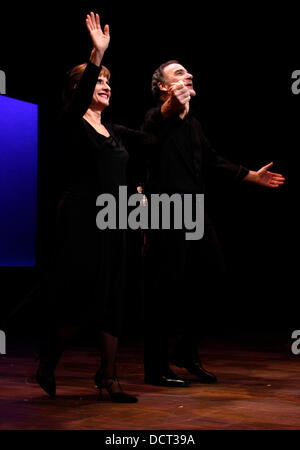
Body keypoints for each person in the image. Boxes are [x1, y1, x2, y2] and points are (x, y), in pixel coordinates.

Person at [141, 60, 285, 387]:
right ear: (163, 87)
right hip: (164, 212)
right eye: (178, 74)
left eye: (188, 72)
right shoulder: (154, 117)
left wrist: (252, 176)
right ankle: (156, 368)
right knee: (163, 290)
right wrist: (169, 107)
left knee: (216, 277)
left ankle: (185, 351)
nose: (187, 75)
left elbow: (212, 159)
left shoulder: (193, 124)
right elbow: (154, 126)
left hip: (193, 211)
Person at [36, 12, 152, 403]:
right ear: (78, 87)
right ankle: (50, 357)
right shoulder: (71, 122)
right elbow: (83, 90)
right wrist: (96, 57)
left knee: (115, 296)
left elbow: (152, 140)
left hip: (115, 221)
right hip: (82, 220)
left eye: (107, 81)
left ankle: (109, 375)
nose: (104, 85)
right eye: (97, 81)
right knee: (83, 296)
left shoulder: (114, 130)